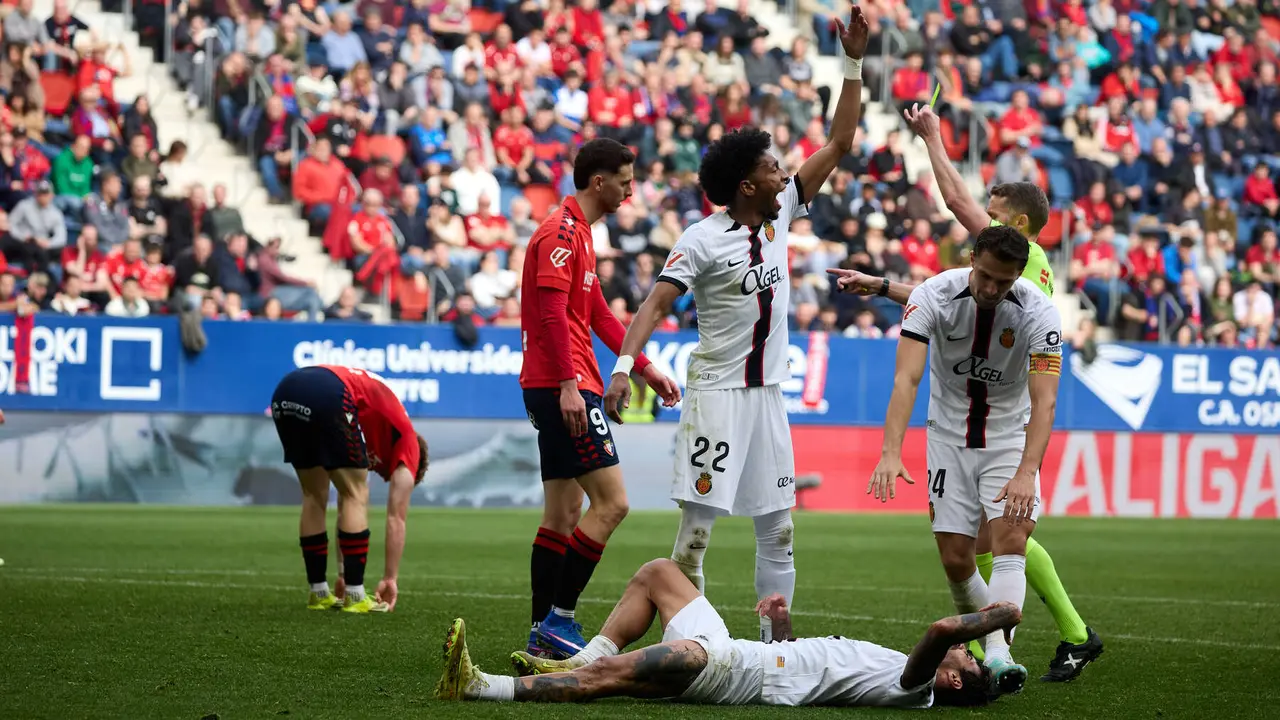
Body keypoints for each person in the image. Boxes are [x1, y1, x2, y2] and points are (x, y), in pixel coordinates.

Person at [601, 6, 869, 643]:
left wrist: (853, 62)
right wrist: (622, 367)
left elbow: (839, 142)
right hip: (716, 397)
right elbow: (654, 306)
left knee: (779, 528)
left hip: (767, 397)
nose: (784, 172)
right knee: (695, 536)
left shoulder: (781, 211)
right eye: (773, 168)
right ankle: (689, 643)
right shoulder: (700, 240)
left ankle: (778, 650)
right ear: (748, 186)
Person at [829, 103, 1103, 684]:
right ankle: (1064, 636)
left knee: (1009, 537)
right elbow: (938, 302)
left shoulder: (1030, 291)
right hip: (950, 432)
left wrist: (931, 136)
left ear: (1017, 235)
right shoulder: (979, 278)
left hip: (1005, 426)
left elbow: (955, 202)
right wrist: (884, 285)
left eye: (994, 215)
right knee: (965, 551)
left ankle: (1009, 652)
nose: (982, 221)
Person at [866, 225, 1062, 697]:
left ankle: (998, 656)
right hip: (947, 437)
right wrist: (890, 451)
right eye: (987, 276)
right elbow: (906, 379)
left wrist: (1027, 471)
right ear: (972, 259)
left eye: (1005, 281)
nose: (993, 289)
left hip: (1008, 436)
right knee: (956, 557)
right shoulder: (931, 296)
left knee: (1011, 536)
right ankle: (994, 648)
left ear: (1019, 275)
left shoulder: (1040, 312)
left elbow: (1045, 401)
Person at [434, 558, 1020, 708]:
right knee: (659, 574)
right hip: (742, 654)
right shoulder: (896, 674)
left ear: (952, 679)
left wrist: (1001, 618)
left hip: (731, 671)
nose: (965, 651)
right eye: (973, 654)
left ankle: (481, 687)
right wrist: (782, 631)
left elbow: (942, 627)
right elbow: (809, 669)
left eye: (969, 660)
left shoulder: (916, 688)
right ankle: (578, 658)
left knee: (610, 679)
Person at [519, 137, 682, 659]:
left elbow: (597, 316)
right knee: (612, 504)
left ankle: (542, 633)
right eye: (625, 182)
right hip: (564, 385)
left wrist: (643, 367)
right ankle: (559, 621)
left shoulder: (583, 233)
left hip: (558, 383)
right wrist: (569, 384)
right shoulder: (561, 233)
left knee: (563, 513)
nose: (630, 192)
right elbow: (550, 315)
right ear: (598, 181)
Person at [269, 364, 428, 613]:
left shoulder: (379, 425)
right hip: (328, 391)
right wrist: (390, 578)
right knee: (356, 493)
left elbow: (345, 504)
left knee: (314, 495)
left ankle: (319, 593)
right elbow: (396, 518)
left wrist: (343, 573)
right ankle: (355, 595)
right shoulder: (408, 443)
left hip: (286, 392)